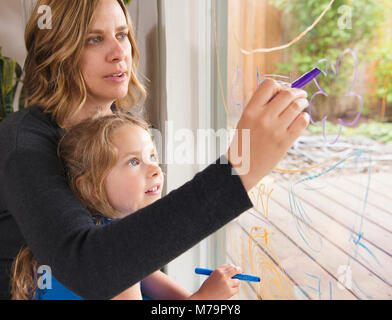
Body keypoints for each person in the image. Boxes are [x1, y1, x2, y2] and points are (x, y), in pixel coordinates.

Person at [0, 0, 309, 300]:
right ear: (55, 53)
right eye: (94, 39)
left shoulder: (116, 126)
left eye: (122, 35)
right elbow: (90, 267)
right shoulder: (23, 144)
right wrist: (240, 168)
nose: (119, 52)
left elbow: (129, 248)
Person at [11, 113, 243, 300]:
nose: (154, 169)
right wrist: (207, 297)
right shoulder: (109, 259)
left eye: (152, 156)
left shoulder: (102, 232)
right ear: (92, 186)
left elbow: (163, 288)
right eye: (134, 161)